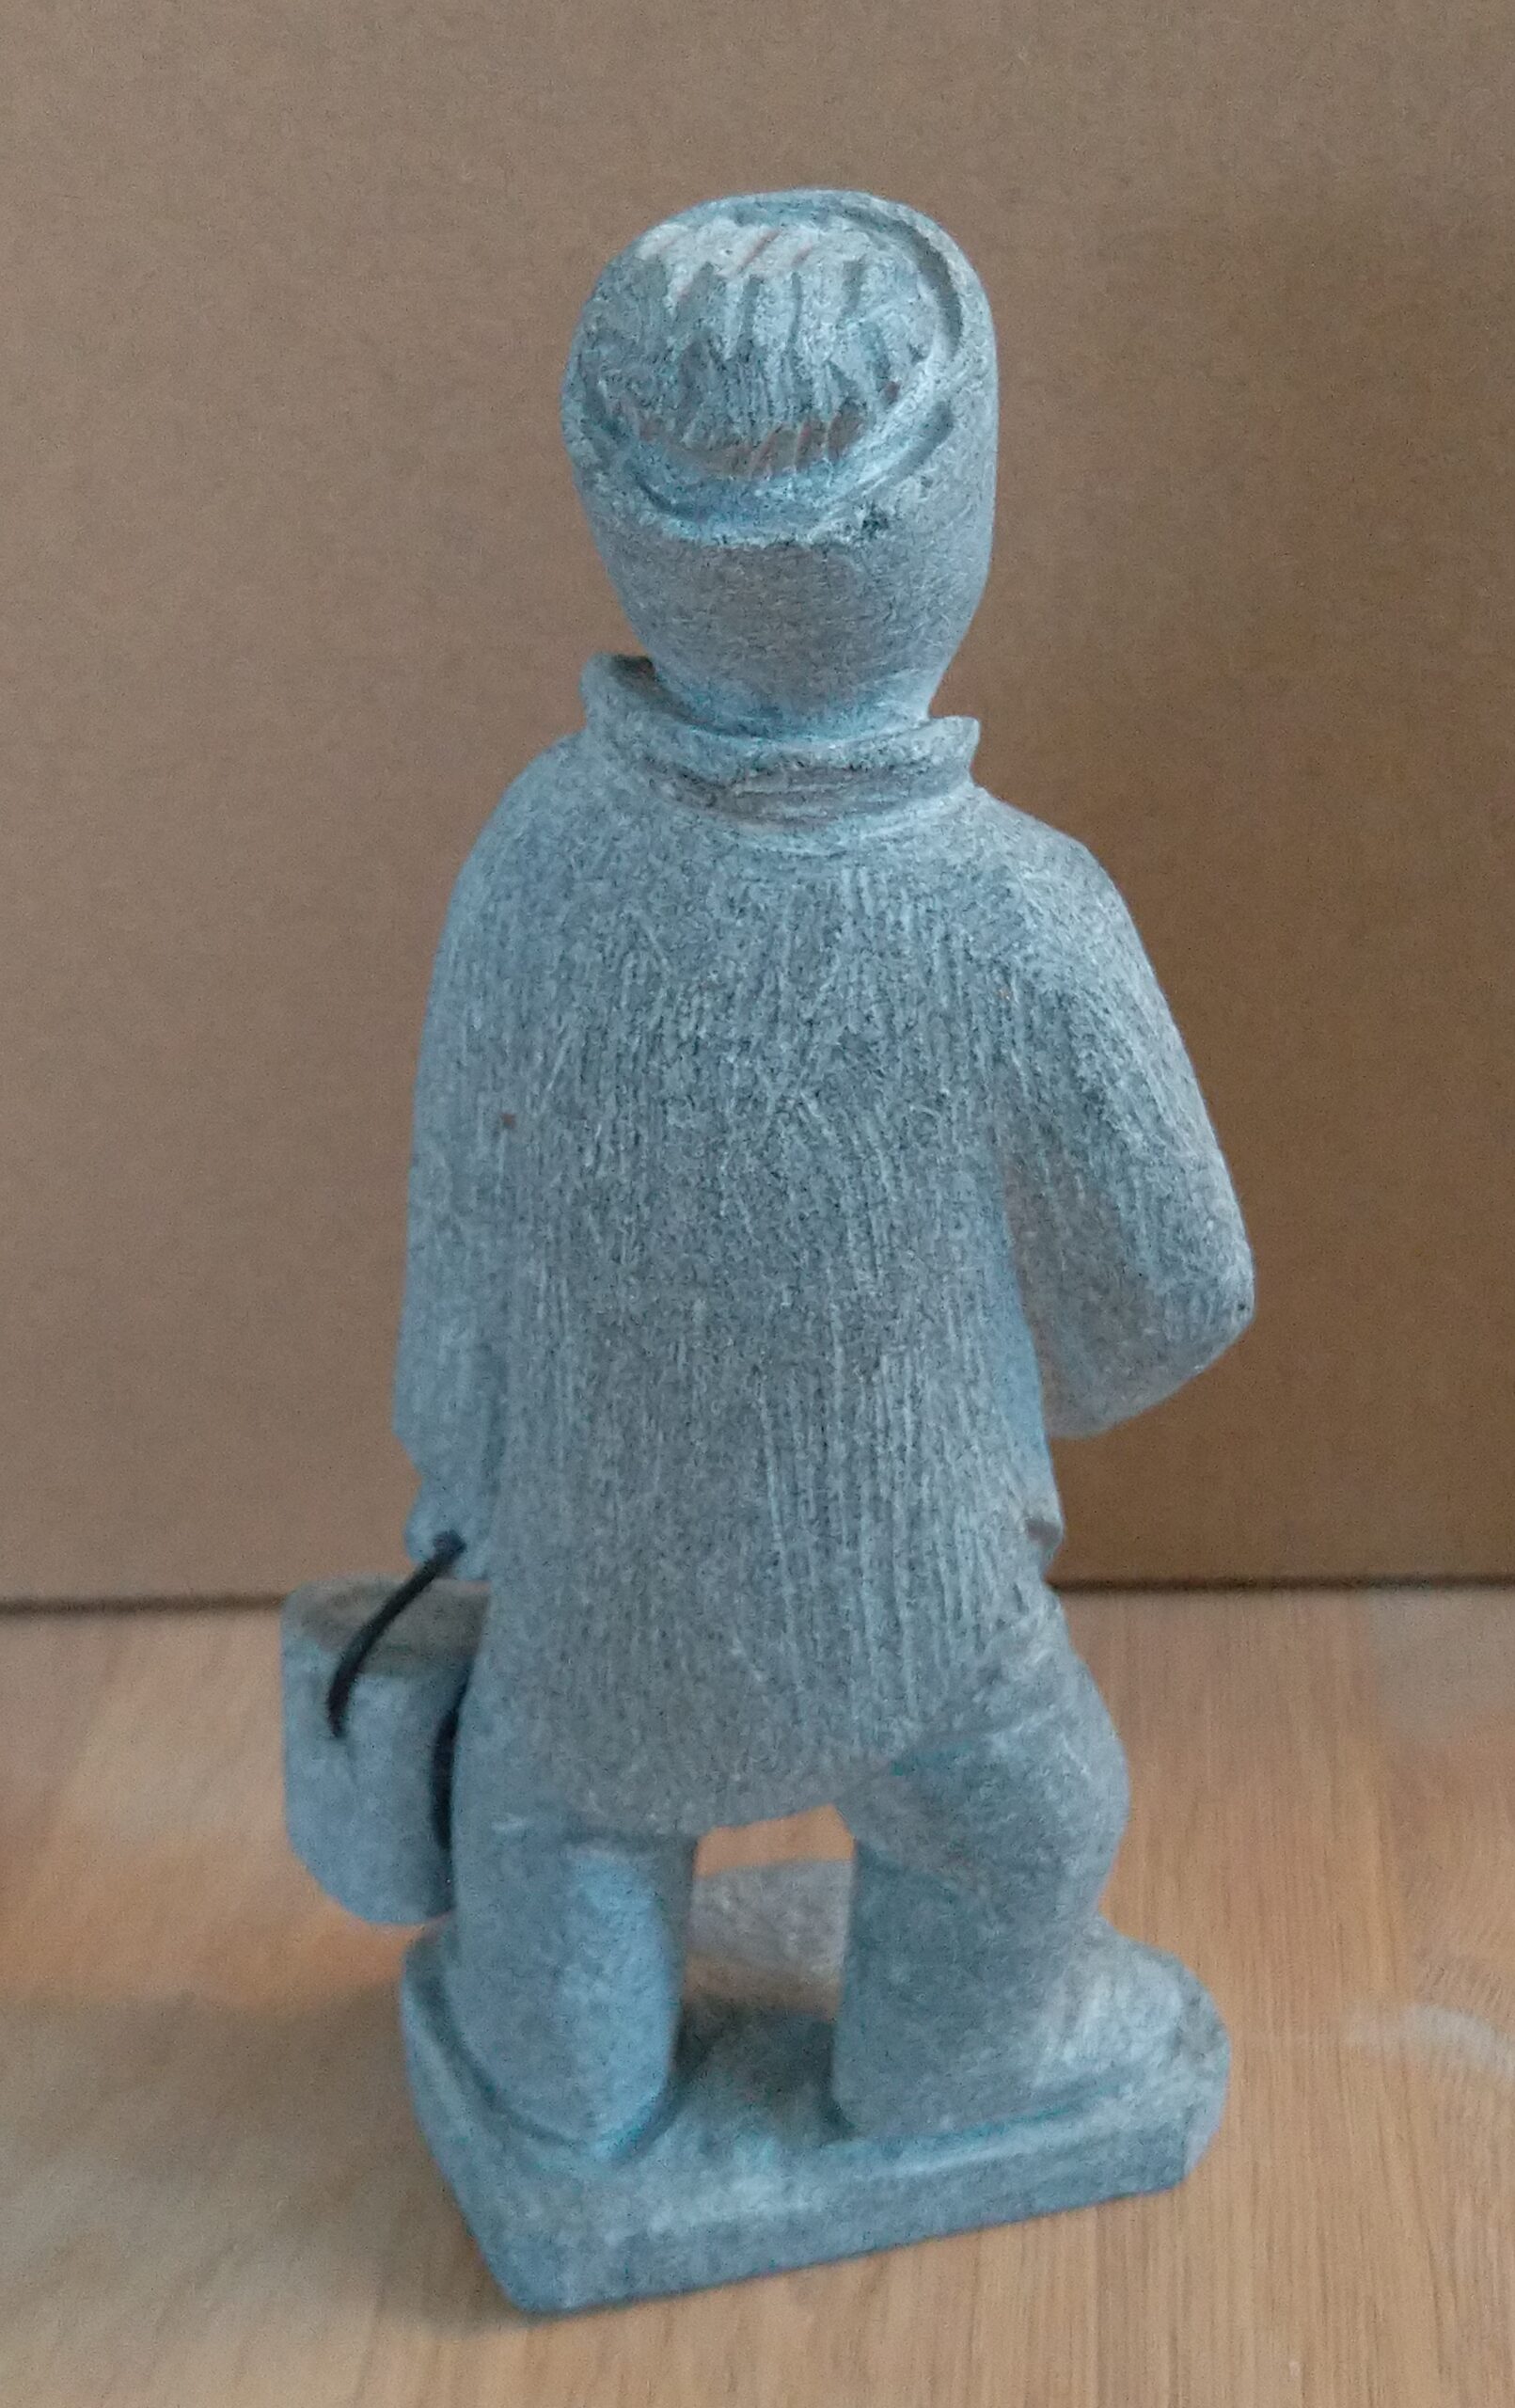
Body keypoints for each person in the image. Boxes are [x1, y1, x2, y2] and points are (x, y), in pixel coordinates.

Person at [395, 189, 1254, 2152]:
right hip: (911, 1594)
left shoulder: (535, 850)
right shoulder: (1020, 915)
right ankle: (946, 2074)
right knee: (1025, 1824)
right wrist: (979, 1397)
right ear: (952, 515)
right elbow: (1178, 1289)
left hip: (589, 1583)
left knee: (547, 1811)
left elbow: (459, 1236)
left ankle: (568, 2090)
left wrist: (458, 1457)